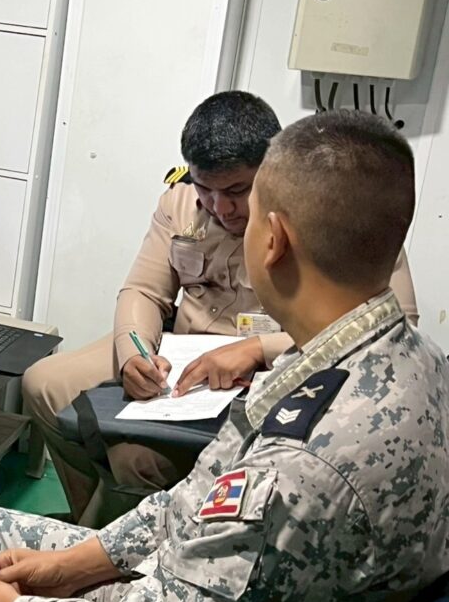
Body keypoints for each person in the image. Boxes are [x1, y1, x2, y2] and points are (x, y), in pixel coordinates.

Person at [0, 110, 449, 602]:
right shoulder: (396, 359)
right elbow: (196, 501)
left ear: (274, 240)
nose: (224, 212)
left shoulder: (305, 468)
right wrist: (75, 563)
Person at [24, 91, 418, 526]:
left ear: (271, 172)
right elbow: (143, 291)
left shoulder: (324, 214)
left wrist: (257, 349)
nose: (220, 207)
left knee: (136, 459)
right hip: (181, 355)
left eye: (236, 191)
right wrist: (134, 353)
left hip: (275, 364)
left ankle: (118, 535)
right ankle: (89, 521)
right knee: (45, 384)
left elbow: (391, 324)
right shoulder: (179, 203)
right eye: (205, 188)